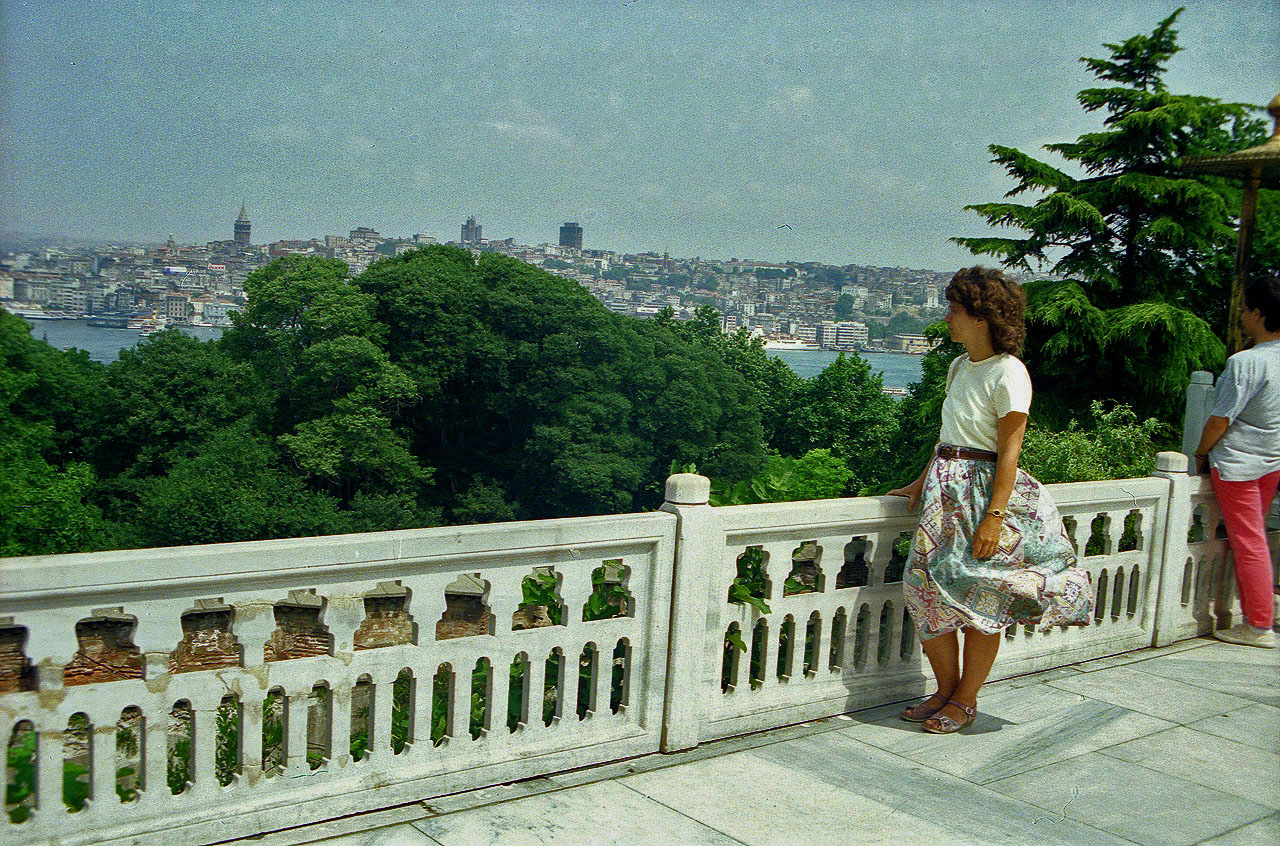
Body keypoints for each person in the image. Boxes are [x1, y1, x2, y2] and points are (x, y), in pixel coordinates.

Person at [887, 266, 1093, 733]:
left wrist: (994, 518)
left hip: (985, 495)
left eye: (954, 310)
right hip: (946, 491)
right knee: (924, 590)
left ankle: (964, 699)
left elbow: (1009, 453)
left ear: (982, 317)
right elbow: (947, 438)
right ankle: (943, 689)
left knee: (985, 595)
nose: (947, 319)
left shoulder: (1009, 373)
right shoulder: (961, 366)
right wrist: (920, 484)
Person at [1193, 276, 1280, 649]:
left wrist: (1199, 453)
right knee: (1252, 538)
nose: (1242, 316)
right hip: (1272, 462)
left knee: (1249, 542)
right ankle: (1254, 616)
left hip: (1239, 465)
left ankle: (1259, 625)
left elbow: (1219, 419)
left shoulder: (1246, 362)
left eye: (1245, 310)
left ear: (1258, 314)